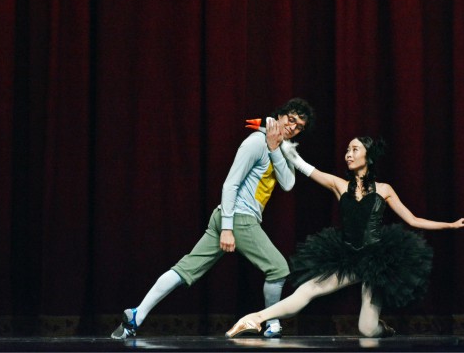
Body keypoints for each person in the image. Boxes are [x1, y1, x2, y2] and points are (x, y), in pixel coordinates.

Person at [225, 136, 464, 338]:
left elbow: (413, 220)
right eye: (347, 149)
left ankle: (383, 329)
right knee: (307, 289)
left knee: (367, 331)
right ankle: (255, 318)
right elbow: (304, 167)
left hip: (377, 259)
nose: (348, 153)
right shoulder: (339, 185)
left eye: (355, 149)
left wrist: (451, 225)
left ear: (368, 155)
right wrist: (281, 142)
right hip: (347, 255)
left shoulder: (385, 189)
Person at [111, 98, 316, 339]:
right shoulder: (255, 142)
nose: (293, 127)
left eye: (299, 126)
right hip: (238, 217)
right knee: (279, 269)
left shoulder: (279, 147)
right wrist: (228, 229)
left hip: (230, 217)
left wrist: (275, 148)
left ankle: (136, 314)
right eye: (290, 120)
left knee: (185, 269)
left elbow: (288, 184)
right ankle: (271, 322)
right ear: (279, 117)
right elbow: (230, 184)